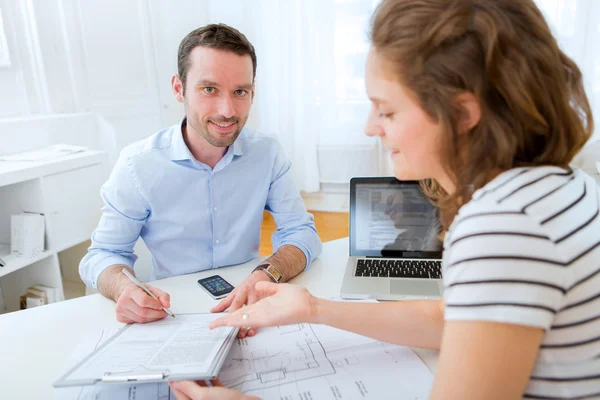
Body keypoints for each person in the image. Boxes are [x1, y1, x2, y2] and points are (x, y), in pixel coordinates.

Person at [171, 0, 600, 399]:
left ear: (463, 114)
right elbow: (447, 319)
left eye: (387, 110)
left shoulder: (503, 224)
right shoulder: (557, 184)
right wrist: (315, 308)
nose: (370, 127)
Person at [79, 24, 322, 333]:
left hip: (250, 303)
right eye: (209, 89)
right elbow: (102, 254)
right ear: (179, 88)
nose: (227, 110)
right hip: (173, 314)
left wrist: (266, 274)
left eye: (240, 92)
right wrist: (122, 289)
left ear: (253, 91)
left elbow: (302, 232)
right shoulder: (137, 165)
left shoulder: (268, 153)